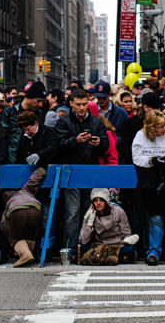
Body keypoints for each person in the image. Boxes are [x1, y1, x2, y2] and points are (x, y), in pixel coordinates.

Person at [55, 89, 109, 255]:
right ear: (71, 104)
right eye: (78, 104)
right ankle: (70, 248)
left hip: (90, 171)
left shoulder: (96, 122)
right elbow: (59, 146)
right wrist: (76, 140)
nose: (81, 107)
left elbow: (105, 146)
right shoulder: (63, 122)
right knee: (72, 212)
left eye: (84, 104)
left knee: (88, 212)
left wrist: (99, 143)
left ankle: (84, 246)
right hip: (71, 172)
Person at [132, 110, 165, 266]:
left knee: (159, 217)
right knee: (147, 218)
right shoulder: (141, 136)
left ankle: (154, 250)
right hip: (147, 180)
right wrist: (151, 160)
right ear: (151, 127)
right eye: (160, 126)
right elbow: (137, 157)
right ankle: (150, 249)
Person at [78, 188, 139, 265]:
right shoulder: (91, 213)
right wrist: (90, 221)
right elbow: (83, 240)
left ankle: (101, 258)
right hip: (99, 247)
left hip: (117, 246)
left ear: (106, 201)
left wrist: (126, 242)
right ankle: (112, 258)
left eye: (101, 200)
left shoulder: (118, 211)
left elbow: (127, 233)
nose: (98, 203)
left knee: (130, 249)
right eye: (95, 200)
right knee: (84, 248)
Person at [1, 168, 45, 267]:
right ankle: (30, 255)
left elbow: (4, 223)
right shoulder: (26, 190)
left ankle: (25, 255)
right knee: (31, 234)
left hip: (18, 211)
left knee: (15, 237)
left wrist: (7, 235)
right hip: (35, 209)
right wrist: (42, 170)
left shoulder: (9, 201)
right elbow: (34, 179)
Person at [0, 81, 47, 163]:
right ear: (29, 97)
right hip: (12, 162)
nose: (40, 105)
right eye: (38, 101)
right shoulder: (8, 112)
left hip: (33, 163)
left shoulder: (40, 114)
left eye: (42, 102)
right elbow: (3, 140)